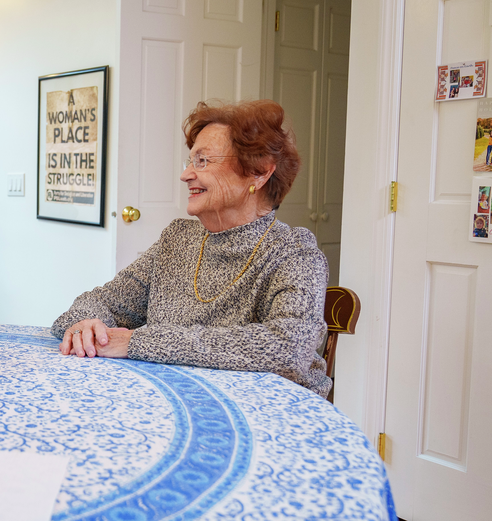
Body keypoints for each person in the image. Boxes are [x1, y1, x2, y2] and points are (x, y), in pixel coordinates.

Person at [52, 100, 331, 397]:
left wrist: (137, 342)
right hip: (172, 401)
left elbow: (288, 351)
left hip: (267, 418)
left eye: (202, 161)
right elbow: (101, 301)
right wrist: (87, 326)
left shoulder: (294, 253)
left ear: (259, 173)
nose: (185, 175)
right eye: (189, 162)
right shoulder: (178, 239)